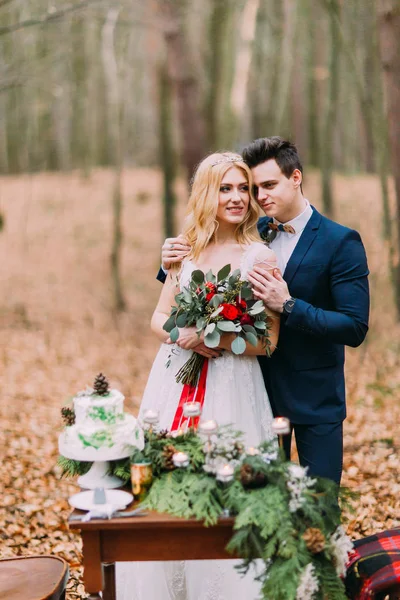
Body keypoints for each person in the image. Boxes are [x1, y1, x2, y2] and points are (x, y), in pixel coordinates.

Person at [159, 137, 370, 486]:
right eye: (254, 188)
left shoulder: (340, 241)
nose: (260, 197)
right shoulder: (247, 231)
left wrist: (289, 306)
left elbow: (354, 326)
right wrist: (166, 258)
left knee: (319, 501)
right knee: (259, 500)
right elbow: (191, 278)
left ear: (296, 178)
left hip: (312, 396)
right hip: (249, 389)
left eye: (269, 185)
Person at [116, 152, 280, 600]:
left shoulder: (259, 256)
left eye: (243, 188)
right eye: (225, 188)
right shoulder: (183, 249)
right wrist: (183, 333)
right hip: (174, 384)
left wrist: (216, 339)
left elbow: (268, 342)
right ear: (207, 193)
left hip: (233, 387)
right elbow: (158, 317)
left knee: (228, 496)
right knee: (168, 490)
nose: (237, 198)